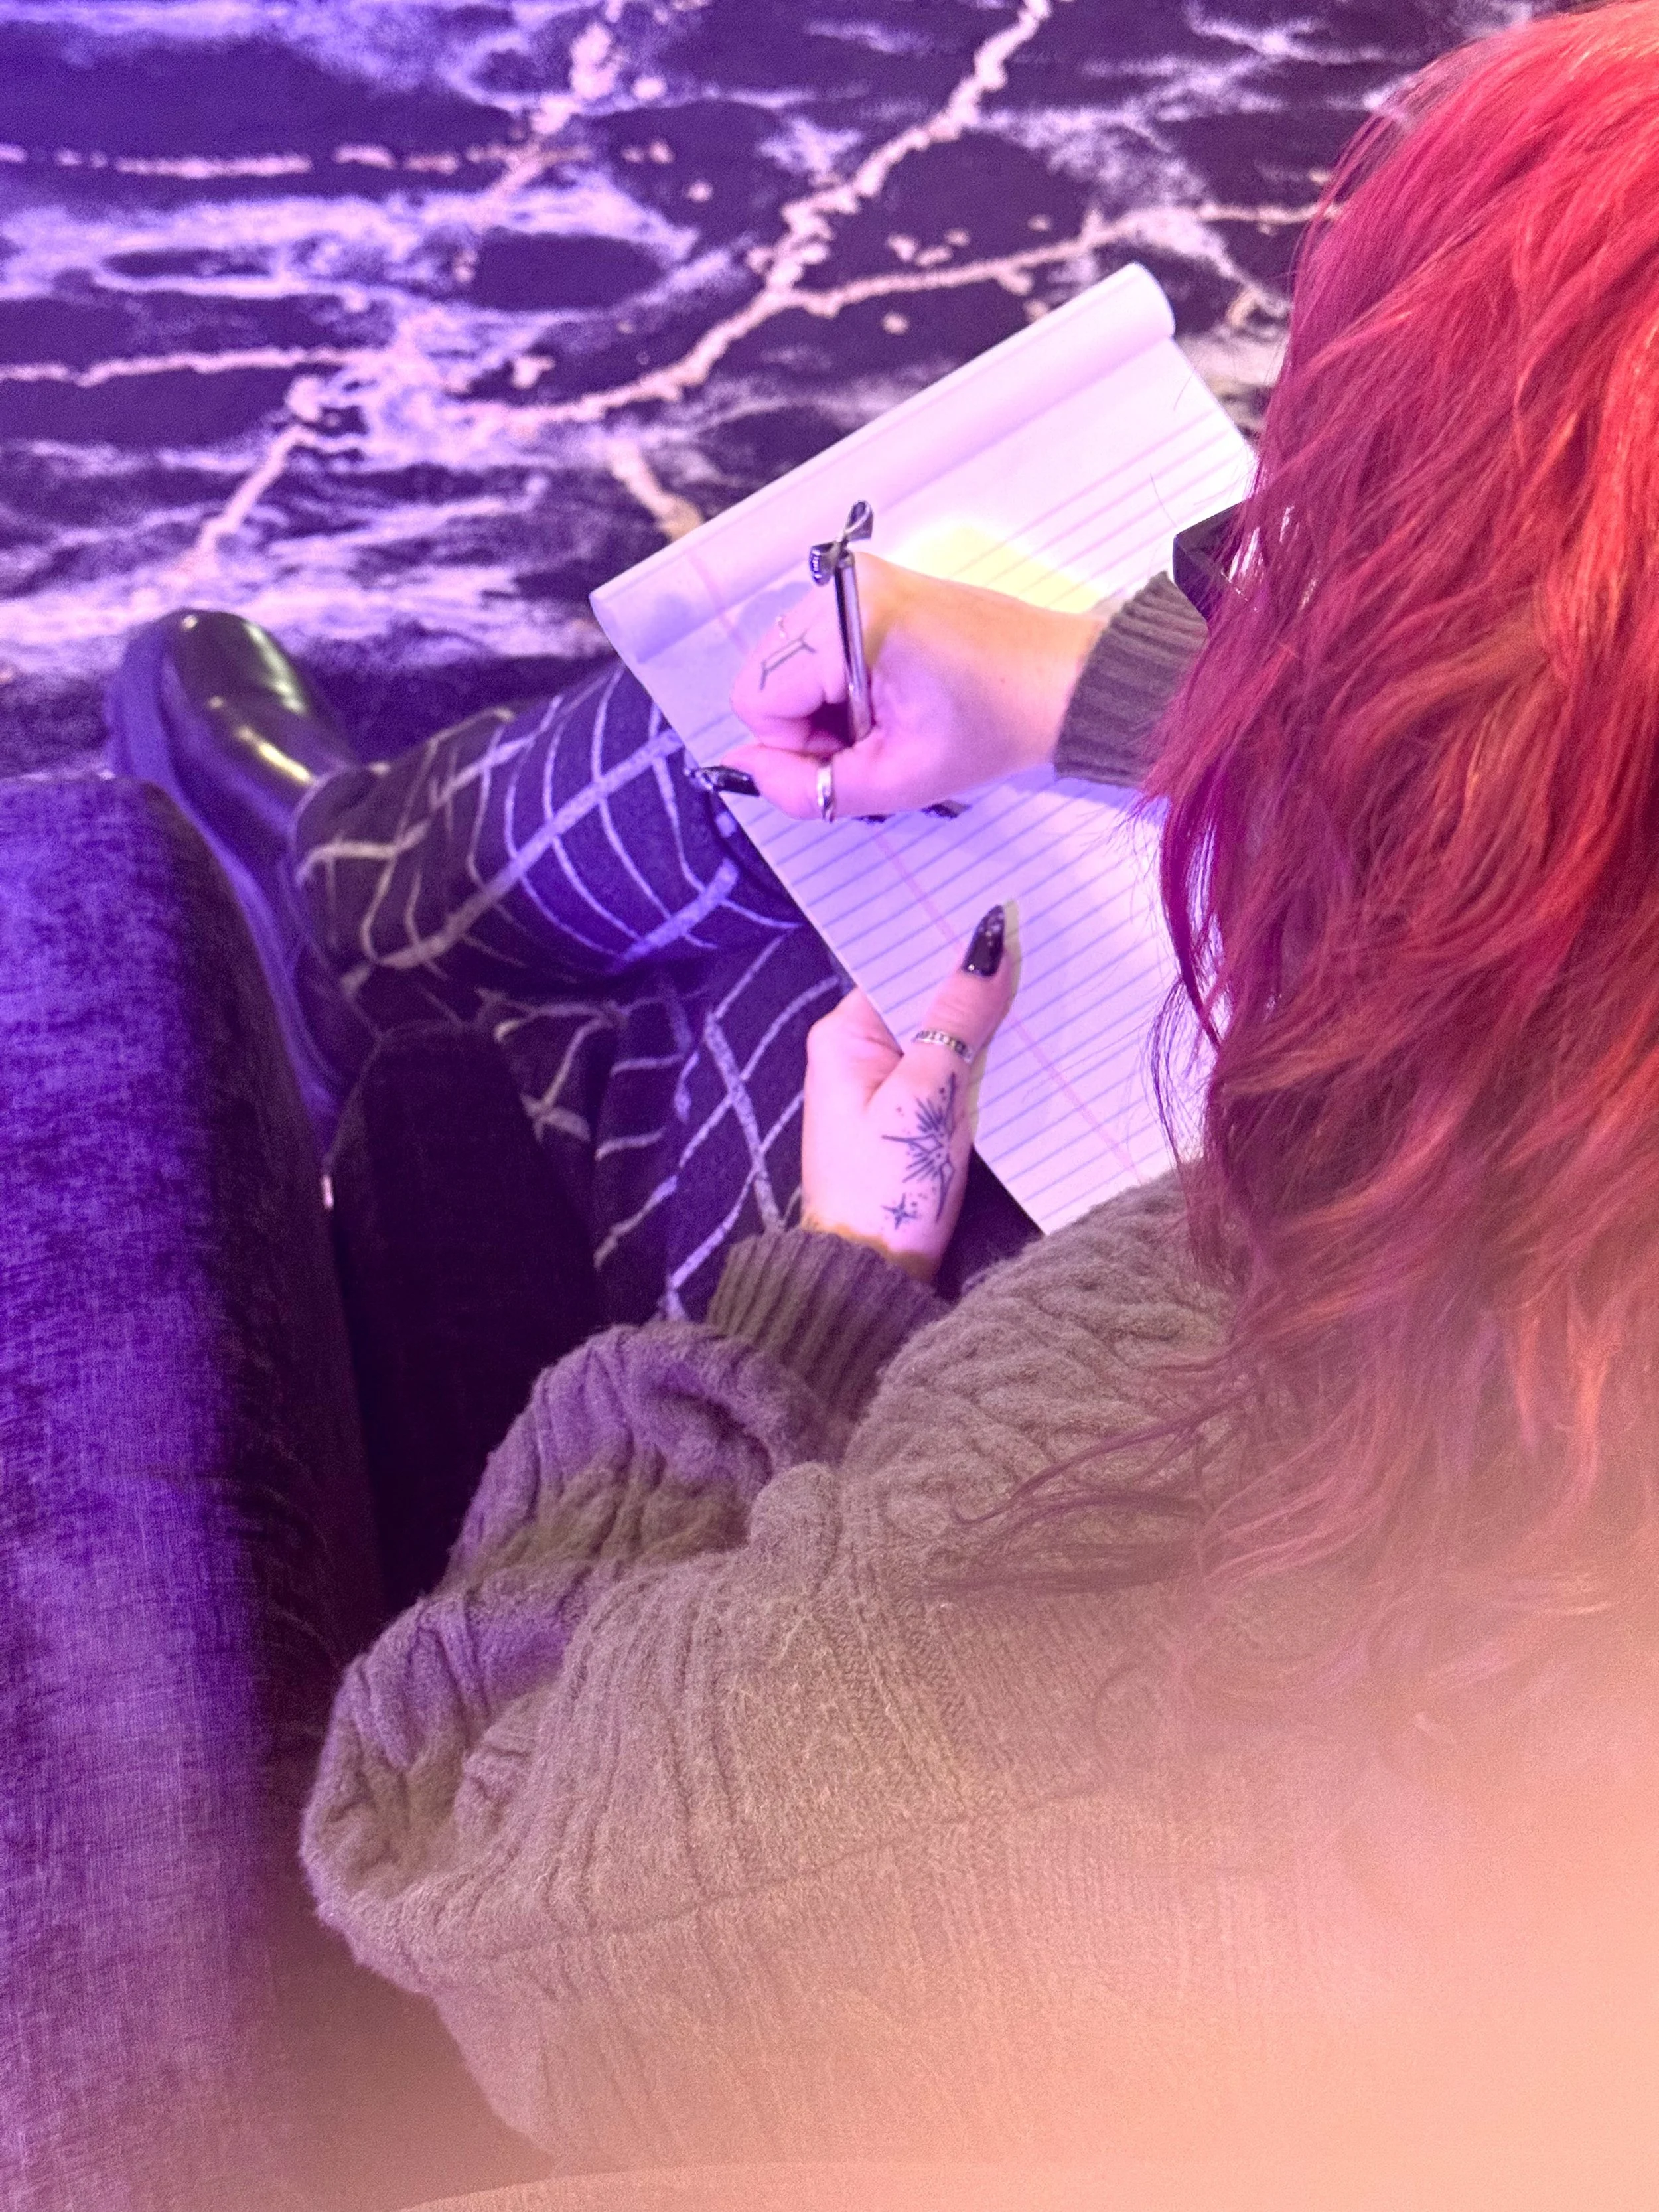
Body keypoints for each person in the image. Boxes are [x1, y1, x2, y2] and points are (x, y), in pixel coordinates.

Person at [115, 1, 1659, 2195]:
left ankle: (338, 921)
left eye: (1308, 558)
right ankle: (351, 898)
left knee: (721, 984)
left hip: (729, 1681)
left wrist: (822, 1285)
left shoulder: (1210, 1579)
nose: (1264, 578)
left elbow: (467, 1839)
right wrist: (1106, 687)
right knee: (842, 738)